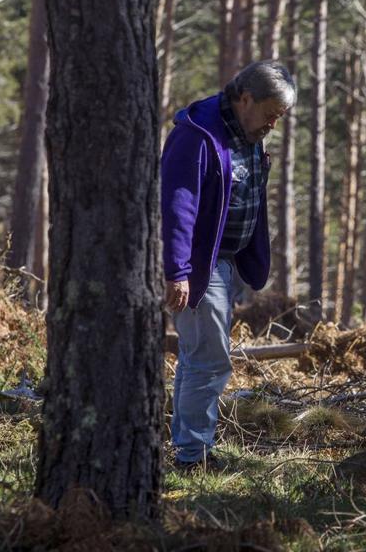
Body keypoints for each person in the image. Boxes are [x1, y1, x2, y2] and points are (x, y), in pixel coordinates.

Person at [161, 61, 296, 470]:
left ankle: (186, 446)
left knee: (195, 353)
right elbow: (178, 207)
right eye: (271, 113)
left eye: (280, 117)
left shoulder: (247, 134)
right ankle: (193, 456)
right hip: (200, 266)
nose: (273, 123)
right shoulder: (197, 136)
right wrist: (178, 271)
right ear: (245, 98)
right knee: (211, 358)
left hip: (226, 262)